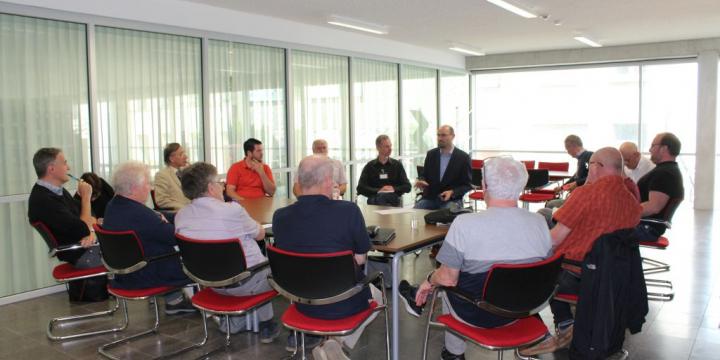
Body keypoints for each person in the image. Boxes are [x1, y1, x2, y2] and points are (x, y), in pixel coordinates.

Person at [400, 157, 552, 360]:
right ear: (522, 185)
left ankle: (454, 353)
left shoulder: (465, 224)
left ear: (484, 186)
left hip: (479, 314)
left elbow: (447, 279)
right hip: (525, 310)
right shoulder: (540, 222)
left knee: (449, 281)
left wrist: (427, 282)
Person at [520, 147, 641, 356]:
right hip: (613, 278)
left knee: (523, 274)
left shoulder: (586, 194)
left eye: (590, 165)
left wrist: (523, 245)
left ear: (596, 167)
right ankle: (567, 326)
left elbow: (555, 239)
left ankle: (548, 333)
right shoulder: (631, 202)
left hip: (578, 275)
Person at [273, 155, 382, 359]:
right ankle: (336, 343)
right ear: (326, 181)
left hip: (302, 303)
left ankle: (333, 345)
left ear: (300, 181)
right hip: (342, 304)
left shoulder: (280, 217)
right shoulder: (348, 211)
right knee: (378, 295)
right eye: (332, 179)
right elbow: (359, 261)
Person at [175, 162, 279, 342]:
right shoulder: (232, 210)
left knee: (248, 263)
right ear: (210, 188)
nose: (223, 185)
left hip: (211, 284)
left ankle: (236, 321)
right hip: (247, 284)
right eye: (219, 181)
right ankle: (267, 324)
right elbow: (260, 234)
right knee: (272, 266)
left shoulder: (181, 216)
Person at [102, 161, 195, 315]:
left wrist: (180, 215)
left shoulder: (114, 205)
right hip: (146, 273)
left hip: (125, 272)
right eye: (147, 184)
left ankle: (175, 300)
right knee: (197, 254)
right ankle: (207, 303)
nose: (150, 188)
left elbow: (154, 216)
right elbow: (175, 237)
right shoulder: (139, 215)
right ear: (133, 189)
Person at [28, 148, 101, 269]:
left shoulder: (56, 191)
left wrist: (91, 230)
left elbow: (88, 215)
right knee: (132, 254)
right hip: (83, 254)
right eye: (64, 163)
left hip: (87, 248)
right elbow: (83, 228)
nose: (68, 168)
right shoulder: (44, 201)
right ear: (51, 169)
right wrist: (86, 198)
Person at [634, 132, 684, 241]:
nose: (650, 150)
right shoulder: (668, 170)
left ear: (664, 148)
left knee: (600, 230)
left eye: (653, 146)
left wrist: (624, 214)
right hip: (645, 225)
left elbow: (654, 207)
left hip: (646, 228)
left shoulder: (665, 174)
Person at [414, 125, 472, 210]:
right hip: (430, 199)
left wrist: (452, 192)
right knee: (414, 213)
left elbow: (467, 185)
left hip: (452, 200)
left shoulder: (463, 157)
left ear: (453, 136)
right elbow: (424, 175)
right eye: (438, 135)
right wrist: (421, 181)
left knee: (446, 216)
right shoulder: (431, 154)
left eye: (443, 135)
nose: (440, 138)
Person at [356, 135, 411, 206]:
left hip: (392, 197)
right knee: (378, 198)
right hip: (375, 196)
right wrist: (379, 190)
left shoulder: (397, 165)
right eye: (387, 146)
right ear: (378, 148)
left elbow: (407, 186)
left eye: (390, 146)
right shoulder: (370, 166)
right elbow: (360, 188)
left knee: (379, 199)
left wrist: (393, 188)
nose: (390, 149)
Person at [153, 143, 191, 210]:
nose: (186, 157)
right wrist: (185, 208)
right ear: (171, 159)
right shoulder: (162, 175)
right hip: (178, 213)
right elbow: (161, 200)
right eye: (181, 154)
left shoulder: (186, 172)